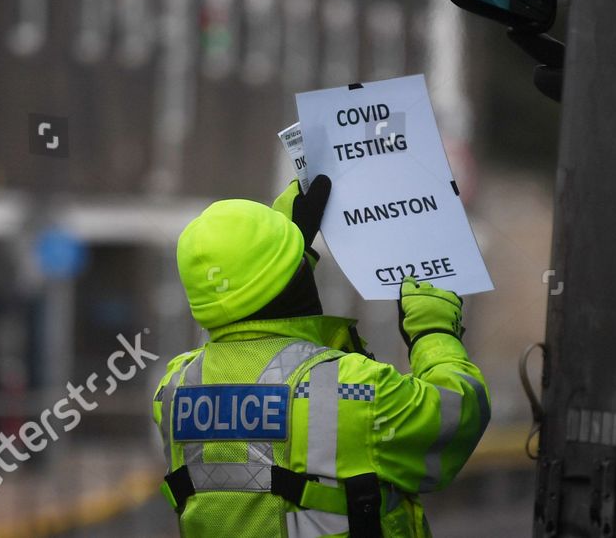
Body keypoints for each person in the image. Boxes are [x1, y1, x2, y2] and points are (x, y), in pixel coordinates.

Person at [151, 174, 489, 537]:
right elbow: (459, 415)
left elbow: (282, 363)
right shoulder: (353, 390)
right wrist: (433, 332)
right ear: (295, 279)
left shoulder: (175, 390)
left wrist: (287, 256)